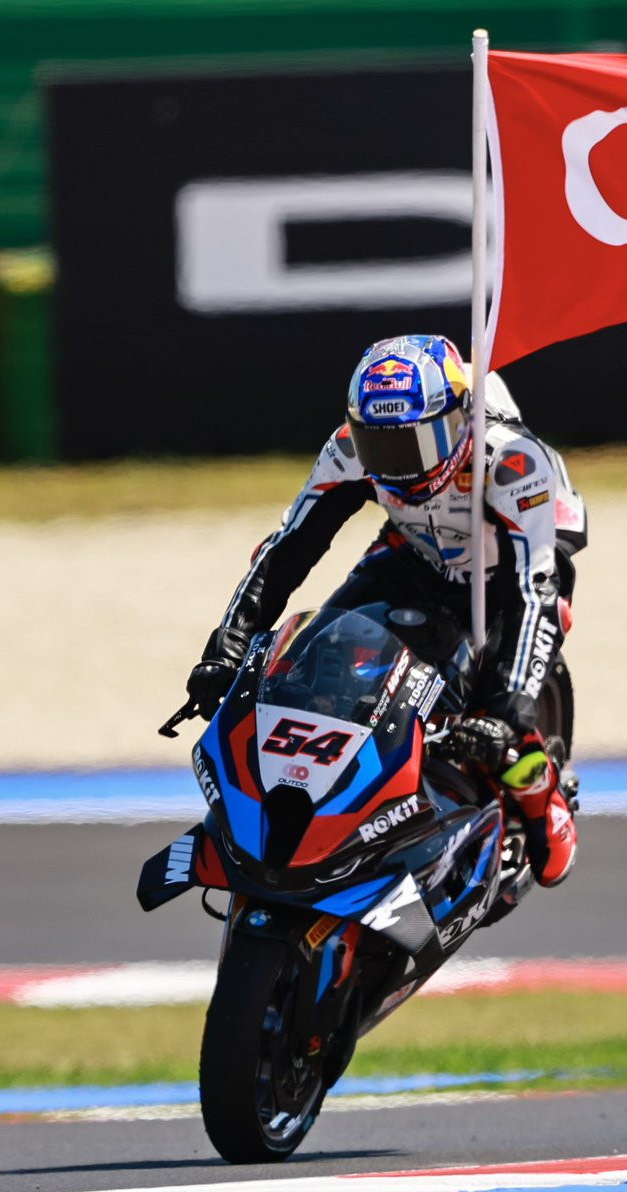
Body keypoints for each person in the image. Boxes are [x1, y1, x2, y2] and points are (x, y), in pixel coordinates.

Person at [186, 334, 588, 887]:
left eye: (416, 444)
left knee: (497, 694)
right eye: (381, 446)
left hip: (511, 570)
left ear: (457, 422)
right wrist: (229, 645)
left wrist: (507, 710)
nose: (398, 465)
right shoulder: (348, 448)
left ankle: (540, 792)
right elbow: (288, 549)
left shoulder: (512, 462)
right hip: (413, 551)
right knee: (317, 659)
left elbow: (533, 590)